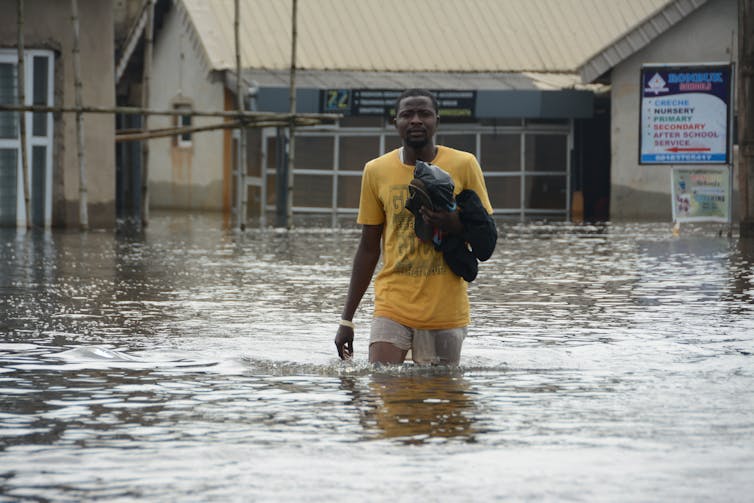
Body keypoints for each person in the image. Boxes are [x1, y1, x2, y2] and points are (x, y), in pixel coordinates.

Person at [334, 89, 494, 365]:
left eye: (424, 114)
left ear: (437, 121)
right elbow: (368, 248)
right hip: (392, 304)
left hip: (446, 308)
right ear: (395, 122)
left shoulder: (464, 164)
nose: (416, 120)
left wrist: (453, 224)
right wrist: (346, 319)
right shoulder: (376, 170)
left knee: (442, 400)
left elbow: (485, 233)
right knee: (383, 386)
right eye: (407, 114)